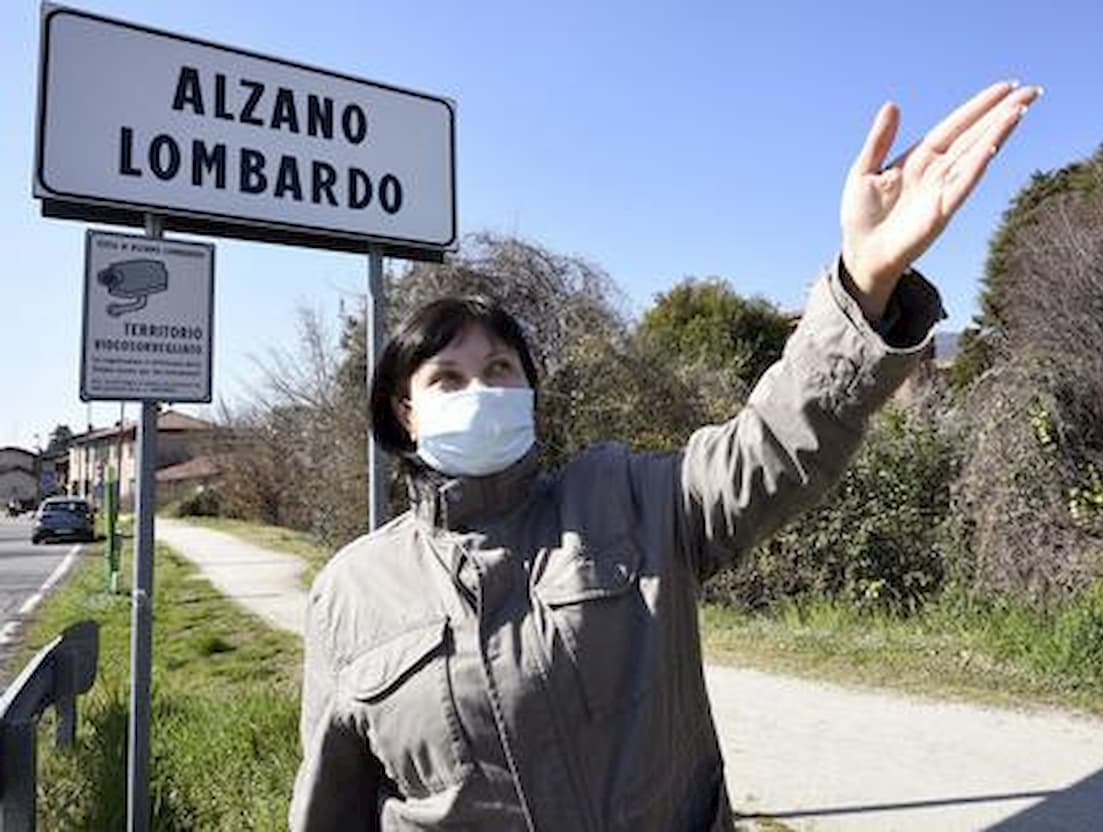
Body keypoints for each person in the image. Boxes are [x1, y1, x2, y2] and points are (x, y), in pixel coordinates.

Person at [289, 80, 1042, 831]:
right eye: (447, 379)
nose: (478, 391)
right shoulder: (350, 594)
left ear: (529, 392)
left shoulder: (627, 499)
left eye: (499, 371)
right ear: (404, 411)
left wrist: (865, 282)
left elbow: (773, 445)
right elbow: (332, 807)